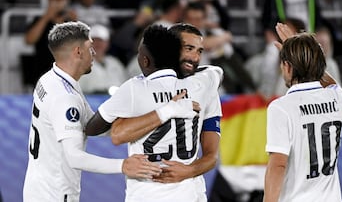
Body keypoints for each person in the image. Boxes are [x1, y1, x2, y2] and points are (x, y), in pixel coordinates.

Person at [22, 21, 162, 202]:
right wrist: (123, 165)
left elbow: (90, 125)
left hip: (40, 187)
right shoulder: (65, 98)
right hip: (54, 193)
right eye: (90, 47)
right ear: (78, 52)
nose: (94, 52)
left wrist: (142, 125)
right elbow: (74, 157)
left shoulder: (50, 79)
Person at [86, 24, 223, 201]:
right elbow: (217, 72)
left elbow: (212, 155)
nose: (195, 57)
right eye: (188, 48)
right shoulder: (204, 84)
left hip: (175, 190)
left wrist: (189, 171)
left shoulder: (136, 87)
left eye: (199, 51)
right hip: (172, 191)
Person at [263, 23, 342, 202]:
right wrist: (303, 54)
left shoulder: (281, 107)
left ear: (287, 67)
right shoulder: (338, 98)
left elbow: (278, 164)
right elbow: (329, 82)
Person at [23, 0, 77, 90]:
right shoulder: (39, 19)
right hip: (42, 71)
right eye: (54, 0)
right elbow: (29, 40)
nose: (57, 3)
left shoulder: (70, 21)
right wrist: (47, 17)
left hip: (66, 73)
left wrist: (75, 21)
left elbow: (80, 44)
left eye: (60, 0)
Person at [79, 24, 130, 94]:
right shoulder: (80, 64)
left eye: (101, 40)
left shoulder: (115, 63)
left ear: (107, 43)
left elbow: (126, 86)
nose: (97, 44)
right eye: (93, 40)